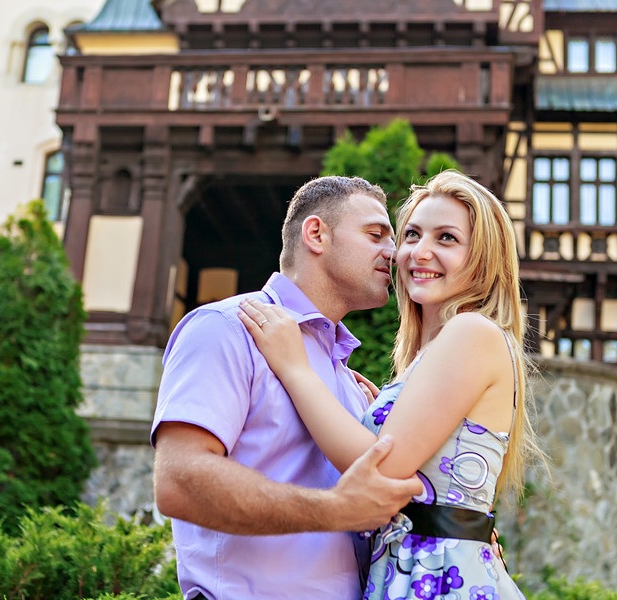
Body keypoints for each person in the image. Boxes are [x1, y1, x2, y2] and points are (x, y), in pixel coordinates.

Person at [238, 170, 543, 600]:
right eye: (413, 234)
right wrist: (374, 414)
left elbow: (377, 472)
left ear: (483, 258)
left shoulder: (472, 332)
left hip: (440, 577)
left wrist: (296, 368)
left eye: (447, 239)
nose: (420, 251)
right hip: (415, 571)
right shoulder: (431, 352)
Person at [151, 175, 425, 600]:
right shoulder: (227, 328)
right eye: (375, 234)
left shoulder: (348, 381)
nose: (393, 252)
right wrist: (336, 511)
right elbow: (179, 482)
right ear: (316, 234)